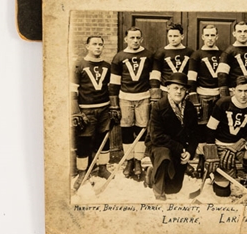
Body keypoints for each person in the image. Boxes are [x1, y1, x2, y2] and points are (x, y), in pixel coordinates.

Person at [203, 76, 247, 197]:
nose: (243, 95)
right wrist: (211, 152)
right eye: (240, 91)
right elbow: (210, 129)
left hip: (241, 146)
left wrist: (238, 147)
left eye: (246, 91)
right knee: (222, 192)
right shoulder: (222, 103)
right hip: (221, 144)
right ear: (233, 90)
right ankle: (214, 176)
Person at [109, 27, 154, 181]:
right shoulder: (119, 57)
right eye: (132, 38)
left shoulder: (148, 55)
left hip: (143, 97)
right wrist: (114, 103)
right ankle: (129, 160)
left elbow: (154, 78)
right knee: (127, 130)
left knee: (141, 130)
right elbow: (114, 82)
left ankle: (138, 161)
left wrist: (154, 98)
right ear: (126, 39)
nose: (135, 41)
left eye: (138, 38)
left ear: (141, 39)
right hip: (125, 98)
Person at [146, 72, 199, 200]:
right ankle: (158, 190)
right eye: (175, 88)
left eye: (182, 89)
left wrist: (189, 153)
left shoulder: (190, 108)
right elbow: (157, 136)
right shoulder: (158, 106)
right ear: (168, 89)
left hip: (179, 149)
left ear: (186, 91)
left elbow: (195, 134)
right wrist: (180, 148)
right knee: (164, 156)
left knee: (173, 189)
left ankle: (152, 173)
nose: (179, 92)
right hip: (160, 146)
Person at [71, 35, 113, 190]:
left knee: (104, 138)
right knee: (84, 140)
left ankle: (102, 168)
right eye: (94, 44)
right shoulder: (78, 65)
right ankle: (82, 172)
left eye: (100, 44)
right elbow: (72, 90)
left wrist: (113, 107)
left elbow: (111, 89)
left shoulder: (107, 66)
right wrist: (76, 112)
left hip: (104, 108)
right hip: (86, 110)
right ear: (87, 46)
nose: (98, 47)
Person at [188, 24, 224, 144]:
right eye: (207, 35)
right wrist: (194, 98)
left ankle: (214, 155)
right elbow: (192, 77)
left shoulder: (223, 54)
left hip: (218, 95)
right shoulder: (197, 55)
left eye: (212, 35)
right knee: (201, 126)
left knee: (217, 125)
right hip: (202, 95)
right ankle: (203, 156)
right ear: (202, 36)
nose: (210, 38)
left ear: (217, 37)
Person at [151, 23, 193, 98]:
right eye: (170, 36)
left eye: (176, 36)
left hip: (183, 91)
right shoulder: (160, 52)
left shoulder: (190, 52)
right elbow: (156, 74)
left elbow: (191, 74)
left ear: (182, 36)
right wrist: (155, 94)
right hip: (166, 90)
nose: (173, 39)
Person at [218, 22, 247, 93]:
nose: (242, 34)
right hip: (234, 90)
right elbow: (222, 75)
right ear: (234, 34)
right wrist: (224, 94)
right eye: (239, 31)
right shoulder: (229, 52)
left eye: (245, 31)